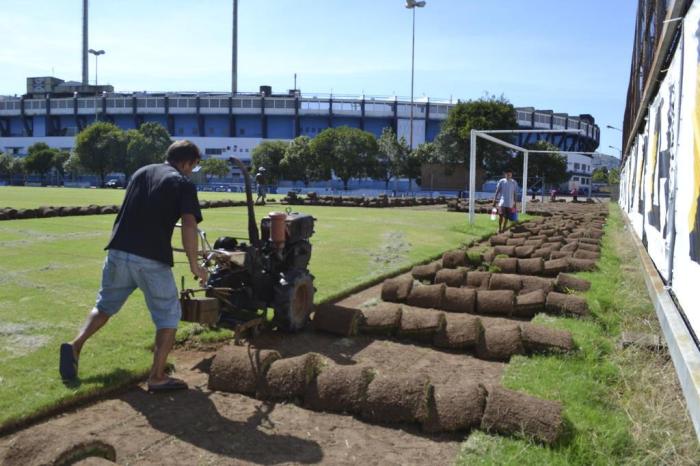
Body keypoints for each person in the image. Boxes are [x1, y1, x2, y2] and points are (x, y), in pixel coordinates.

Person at [59, 140, 209, 392]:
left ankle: (75, 345)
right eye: (193, 166)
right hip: (150, 258)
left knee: (104, 305)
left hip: (117, 252)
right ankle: (157, 376)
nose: (191, 171)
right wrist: (195, 265)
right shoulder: (183, 183)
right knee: (168, 316)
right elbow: (190, 225)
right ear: (186, 162)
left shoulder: (142, 172)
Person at [492, 168, 518, 233]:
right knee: (500, 215)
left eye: (509, 174)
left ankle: (504, 228)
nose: (508, 175)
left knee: (506, 217)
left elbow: (515, 193)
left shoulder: (514, 182)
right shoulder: (501, 181)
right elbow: (497, 191)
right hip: (502, 202)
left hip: (510, 203)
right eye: (507, 174)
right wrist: (494, 200)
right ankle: (500, 228)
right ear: (505, 174)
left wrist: (515, 203)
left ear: (511, 175)